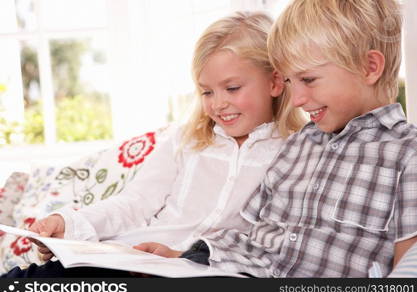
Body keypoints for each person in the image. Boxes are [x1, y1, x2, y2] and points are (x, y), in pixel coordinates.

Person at [1, 11, 306, 278]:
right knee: (33, 280)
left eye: (232, 88)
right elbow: (135, 202)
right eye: (207, 92)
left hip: (201, 272)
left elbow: (272, 243)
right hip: (129, 257)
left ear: (275, 82)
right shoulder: (188, 139)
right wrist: (68, 223)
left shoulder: (295, 153)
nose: (218, 104)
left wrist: (183, 258)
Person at [142, 0, 417, 277]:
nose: (296, 99)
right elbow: (254, 240)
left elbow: (406, 273)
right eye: (289, 82)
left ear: (369, 67)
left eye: (308, 80)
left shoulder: (408, 156)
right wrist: (184, 257)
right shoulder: (298, 146)